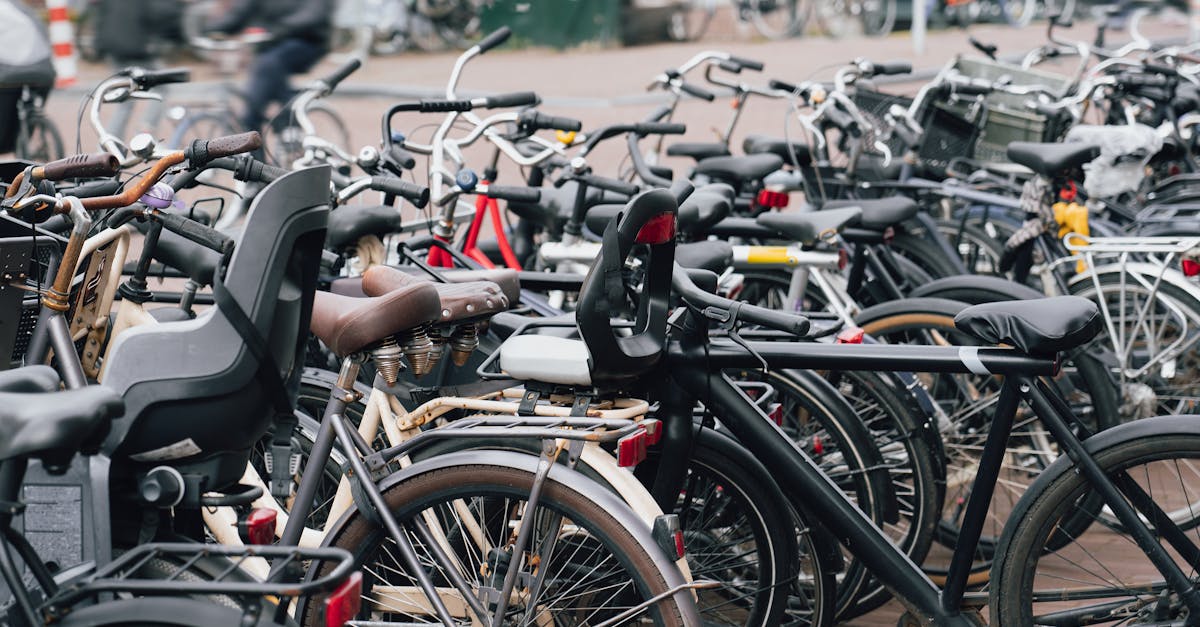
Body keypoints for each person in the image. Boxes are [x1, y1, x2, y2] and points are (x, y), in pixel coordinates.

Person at [206, 0, 333, 134]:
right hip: (270, 44)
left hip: (306, 41)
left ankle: (287, 111)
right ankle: (283, 113)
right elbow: (241, 10)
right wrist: (212, 29)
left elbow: (313, 14)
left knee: (268, 64)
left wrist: (279, 30)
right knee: (254, 104)